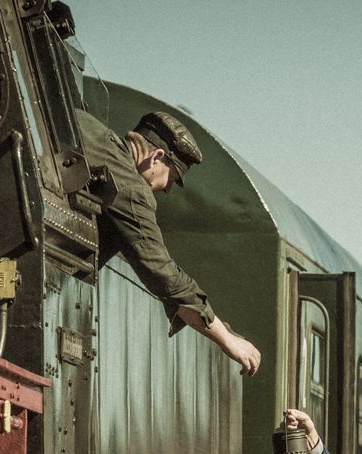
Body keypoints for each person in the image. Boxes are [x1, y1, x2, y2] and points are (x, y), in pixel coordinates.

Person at [77, 108, 261, 375]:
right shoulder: (131, 188)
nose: (167, 188)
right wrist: (228, 341)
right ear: (156, 157)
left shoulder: (84, 125)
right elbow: (162, 272)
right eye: (172, 177)